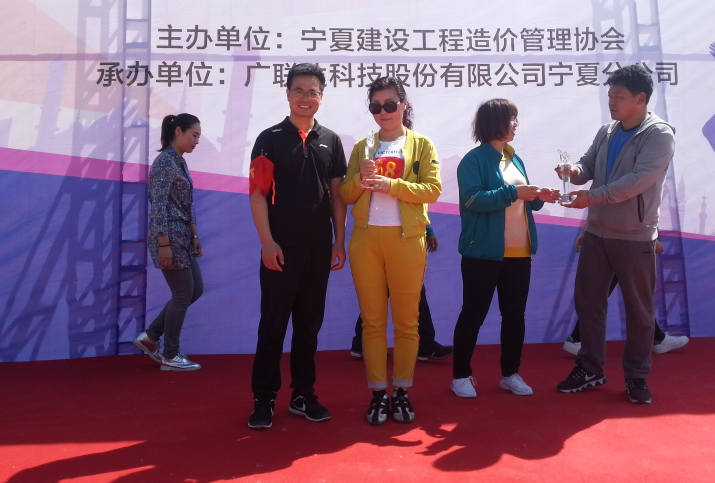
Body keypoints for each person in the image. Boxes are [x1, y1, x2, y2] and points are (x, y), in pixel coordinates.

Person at [555, 64, 675, 404]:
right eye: (610, 95)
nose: (611, 102)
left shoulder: (659, 135)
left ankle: (637, 376)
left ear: (640, 98)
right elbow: (588, 166)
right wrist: (573, 171)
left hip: (634, 236)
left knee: (639, 312)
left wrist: (591, 197)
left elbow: (635, 181)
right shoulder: (607, 131)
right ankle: (590, 368)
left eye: (618, 96)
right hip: (597, 232)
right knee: (589, 304)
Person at [247, 63, 347, 430]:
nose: (306, 98)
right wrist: (267, 241)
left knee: (309, 326)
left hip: (319, 250)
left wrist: (339, 240)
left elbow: (337, 196)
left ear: (322, 96)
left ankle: (303, 395)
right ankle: (264, 398)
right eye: (299, 91)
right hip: (281, 250)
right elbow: (258, 194)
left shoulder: (331, 140)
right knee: (273, 325)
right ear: (288, 94)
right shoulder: (269, 138)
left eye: (313, 92)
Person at [340, 76, 441, 425]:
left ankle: (401, 392)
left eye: (389, 105)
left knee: (407, 323)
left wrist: (390, 184)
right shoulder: (363, 147)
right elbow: (346, 194)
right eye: (375, 107)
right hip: (366, 241)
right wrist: (360, 178)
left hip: (407, 240)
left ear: (403, 104)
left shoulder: (421, 144)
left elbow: (432, 190)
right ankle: (377, 394)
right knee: (372, 324)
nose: (383, 112)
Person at [451, 98, 559, 399]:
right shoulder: (473, 160)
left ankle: (510, 374)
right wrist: (515, 192)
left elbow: (522, 199)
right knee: (473, 314)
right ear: (494, 123)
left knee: (514, 316)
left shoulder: (514, 157)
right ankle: (461, 376)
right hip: (483, 253)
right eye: (511, 118)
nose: (516, 124)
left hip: (519, 252)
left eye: (515, 118)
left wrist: (538, 195)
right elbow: (473, 200)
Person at [133, 113, 204, 372]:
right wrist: (164, 244)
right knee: (183, 293)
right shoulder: (164, 162)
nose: (197, 141)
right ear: (178, 131)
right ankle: (171, 355)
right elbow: (158, 207)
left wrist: (194, 235)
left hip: (182, 234)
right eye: (194, 135)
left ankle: (151, 337)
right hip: (169, 236)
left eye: (198, 136)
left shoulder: (179, 162)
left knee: (194, 290)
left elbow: (186, 204)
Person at [563, 232, 689, 356]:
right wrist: (650, 239)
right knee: (633, 296)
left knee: (622, 295)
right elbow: (625, 220)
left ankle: (658, 338)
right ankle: (577, 339)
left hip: (614, 242)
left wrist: (585, 232)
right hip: (622, 243)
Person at [350, 225, 453, 362]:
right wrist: (428, 231)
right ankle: (425, 345)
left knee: (386, 294)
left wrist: (428, 231)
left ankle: (362, 343)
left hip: (398, 240)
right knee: (412, 293)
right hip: (389, 241)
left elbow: (415, 211)